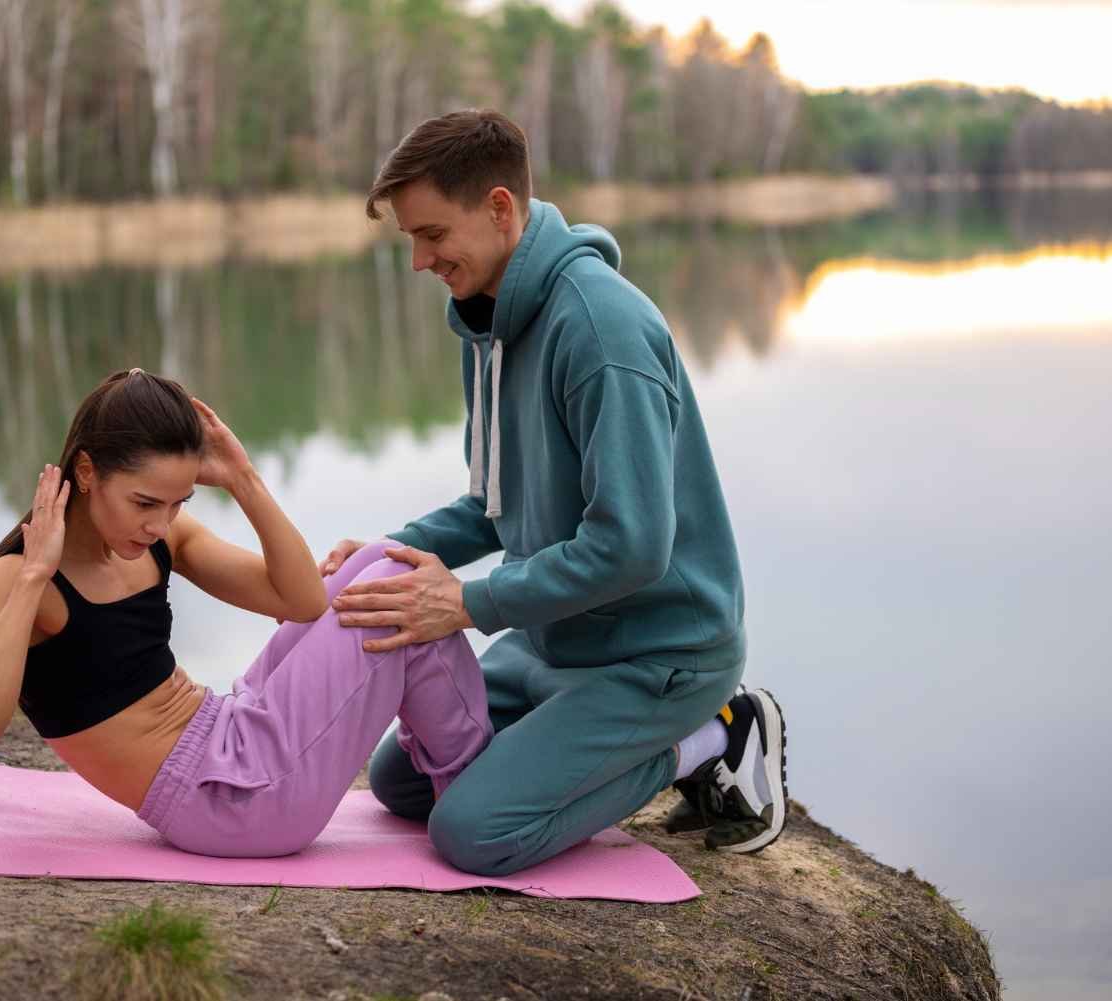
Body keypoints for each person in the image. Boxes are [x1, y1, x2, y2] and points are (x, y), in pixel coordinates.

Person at [319, 110, 788, 876]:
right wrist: (390, 550)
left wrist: (468, 603)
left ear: (499, 208)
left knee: (474, 831)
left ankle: (713, 736)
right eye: (411, 238)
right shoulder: (487, 323)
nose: (419, 260)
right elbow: (492, 504)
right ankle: (585, 733)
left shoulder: (602, 332)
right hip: (553, 638)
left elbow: (632, 547)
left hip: (658, 653)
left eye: (432, 234)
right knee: (402, 782)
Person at [0, 368, 492, 857]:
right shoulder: (21, 576)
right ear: (87, 472)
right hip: (234, 803)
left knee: (380, 560)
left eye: (177, 503)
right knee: (394, 589)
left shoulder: (161, 539)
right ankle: (476, 796)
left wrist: (241, 479)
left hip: (234, 736)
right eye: (144, 502)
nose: (159, 524)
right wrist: (34, 575)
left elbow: (301, 601)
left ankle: (462, 786)